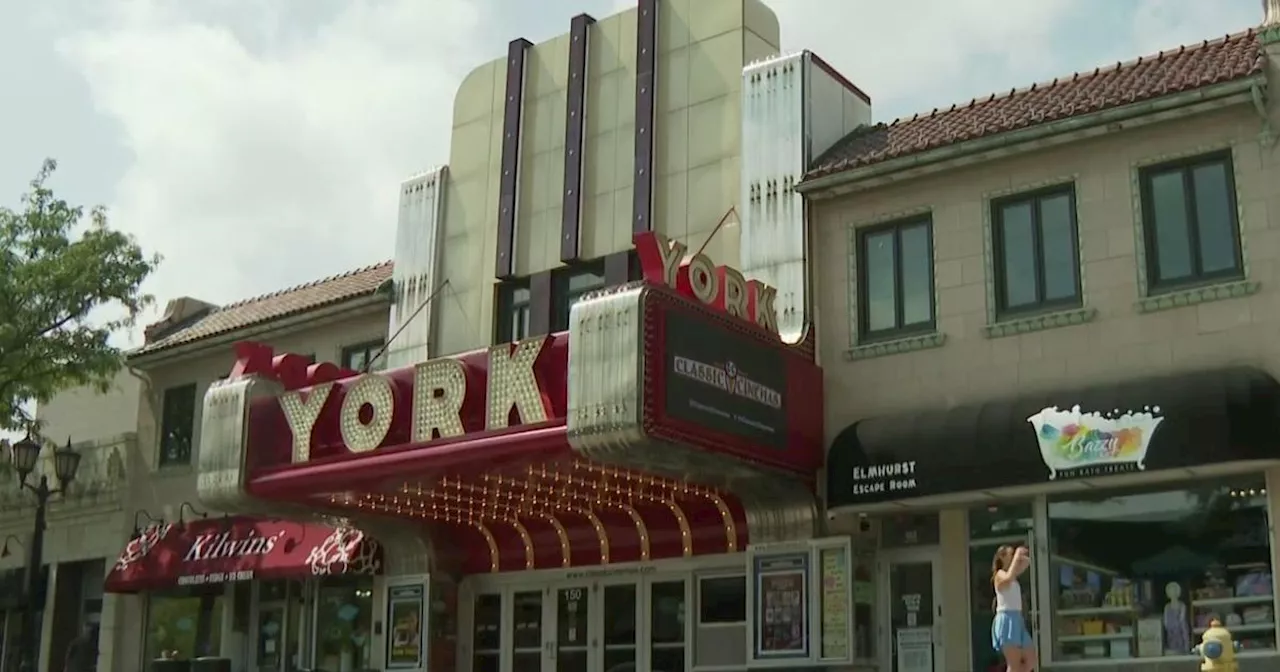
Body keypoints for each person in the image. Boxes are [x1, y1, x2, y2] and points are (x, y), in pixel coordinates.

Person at [991, 545, 1036, 672]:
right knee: (1014, 663)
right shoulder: (1000, 575)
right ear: (1002, 557)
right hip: (1007, 619)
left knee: (1031, 659)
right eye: (1010, 555)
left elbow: (1026, 563)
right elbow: (1009, 577)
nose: (1012, 558)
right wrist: (1017, 556)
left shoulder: (1011, 573)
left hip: (1017, 618)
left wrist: (1021, 555)